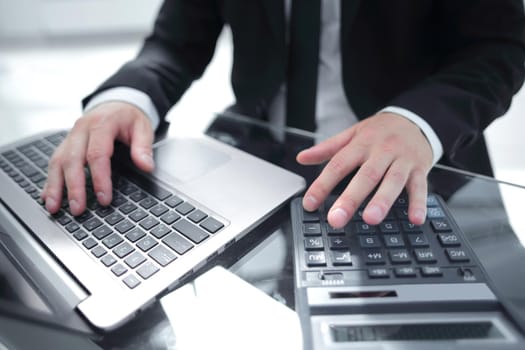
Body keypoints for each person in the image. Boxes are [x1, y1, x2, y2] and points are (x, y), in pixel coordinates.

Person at [41, 0, 525, 230]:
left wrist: (418, 120)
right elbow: (174, 41)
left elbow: (499, 46)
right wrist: (125, 96)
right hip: (253, 158)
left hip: (417, 168)